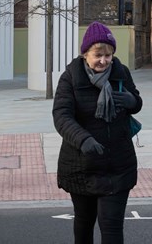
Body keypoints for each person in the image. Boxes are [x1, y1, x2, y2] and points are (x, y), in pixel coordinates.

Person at [53, 21, 143, 243]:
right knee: (84, 221)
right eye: (98, 55)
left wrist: (132, 101)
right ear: (85, 54)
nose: (104, 60)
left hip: (117, 165)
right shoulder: (71, 77)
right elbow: (61, 116)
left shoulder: (121, 73)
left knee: (111, 225)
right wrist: (83, 139)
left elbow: (137, 102)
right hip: (82, 164)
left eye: (108, 55)